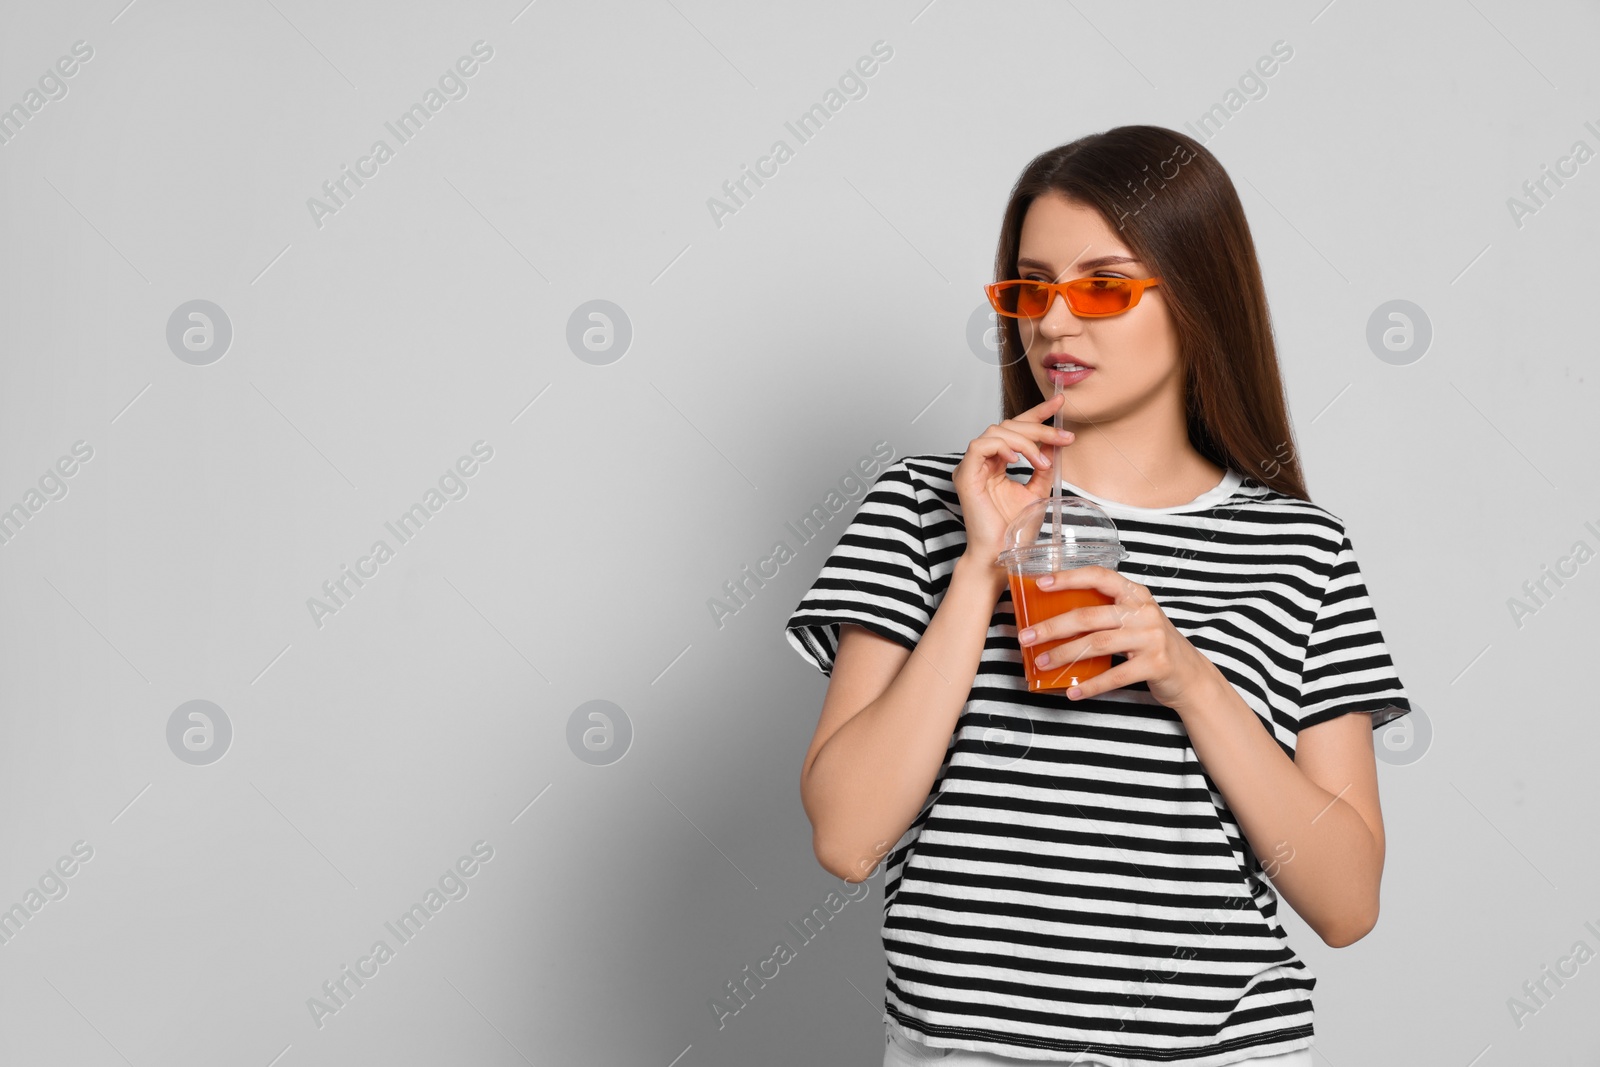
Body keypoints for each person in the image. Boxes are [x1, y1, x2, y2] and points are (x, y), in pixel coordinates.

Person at [783, 125, 1411, 1067]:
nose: (1055, 324)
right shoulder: (924, 504)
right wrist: (978, 567)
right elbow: (847, 832)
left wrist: (1191, 678)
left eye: (1104, 286)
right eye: (1033, 288)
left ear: (1197, 296)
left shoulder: (1300, 550)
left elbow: (1346, 902)